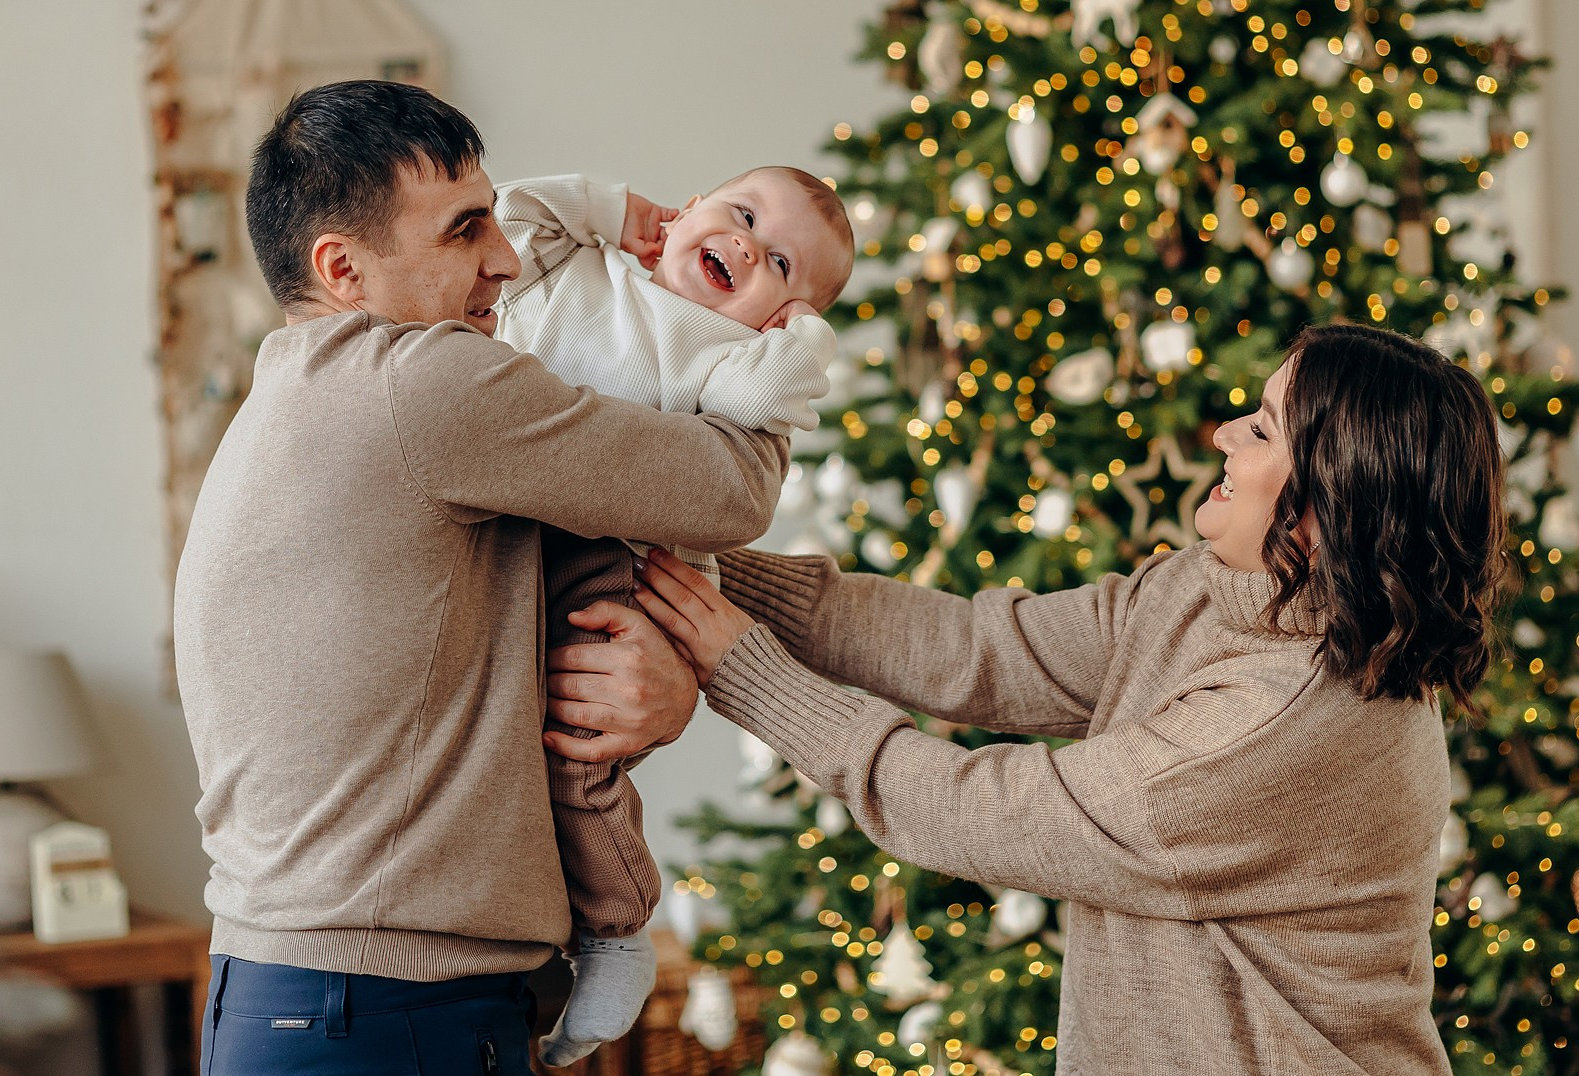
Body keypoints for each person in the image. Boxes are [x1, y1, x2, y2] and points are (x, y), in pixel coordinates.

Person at [563, 323, 1511, 1075]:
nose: (1223, 432)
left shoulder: (1281, 721)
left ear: (1330, 500)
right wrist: (697, 567)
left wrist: (748, 673)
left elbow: (988, 811)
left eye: (1262, 428)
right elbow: (979, 648)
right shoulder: (1214, 590)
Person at [173, 79, 786, 1076]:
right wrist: (777, 354)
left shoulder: (303, 393)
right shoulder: (426, 385)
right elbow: (723, 493)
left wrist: (670, 674)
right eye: (464, 232)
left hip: (307, 996)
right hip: (383, 1010)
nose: (504, 258)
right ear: (344, 269)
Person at [490, 168, 851, 1062]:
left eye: (778, 262)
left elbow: (769, 407)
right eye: (739, 213)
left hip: (611, 565)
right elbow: (510, 212)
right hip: (503, 538)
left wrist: (799, 338)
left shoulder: (726, 356)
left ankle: (616, 931)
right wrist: (615, 212)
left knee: (580, 759)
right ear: (684, 210)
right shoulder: (579, 267)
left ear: (778, 318)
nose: (745, 246)